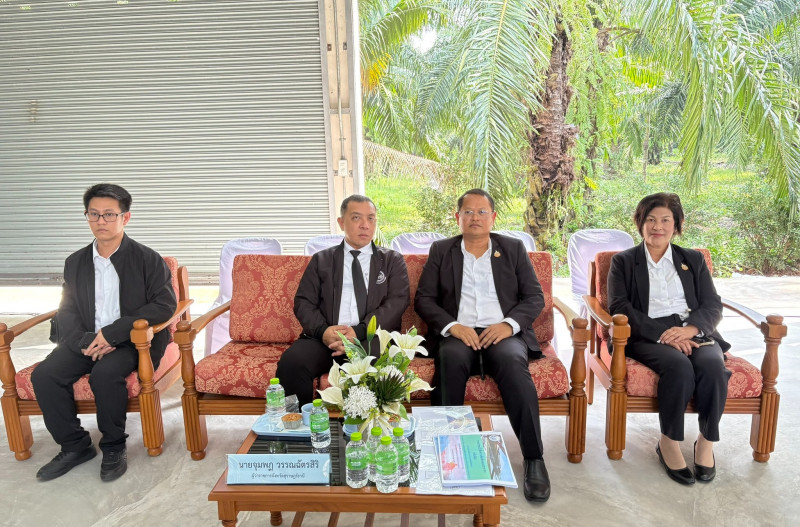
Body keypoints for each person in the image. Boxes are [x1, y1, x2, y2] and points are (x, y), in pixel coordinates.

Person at [31, 183, 177, 482]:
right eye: (94, 214)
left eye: (109, 214)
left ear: (125, 217)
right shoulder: (76, 262)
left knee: (105, 375)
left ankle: (113, 446)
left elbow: (164, 305)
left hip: (132, 341)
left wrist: (114, 333)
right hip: (86, 339)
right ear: (87, 216)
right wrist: (84, 340)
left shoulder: (148, 259)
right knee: (45, 375)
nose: (101, 221)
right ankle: (75, 446)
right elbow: (67, 309)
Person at [414, 189, 550, 502]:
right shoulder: (442, 250)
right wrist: (453, 326)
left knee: (513, 364)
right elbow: (424, 299)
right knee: (450, 360)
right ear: (457, 217)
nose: (475, 218)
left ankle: (534, 458)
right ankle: (448, 454)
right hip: (458, 333)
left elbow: (534, 297)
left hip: (502, 333)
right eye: (468, 212)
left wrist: (508, 325)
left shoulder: (513, 249)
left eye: (482, 212)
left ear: (493, 217)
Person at [608, 192, 730, 485]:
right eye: (650, 219)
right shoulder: (623, 262)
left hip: (692, 330)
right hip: (645, 333)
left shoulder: (693, 259)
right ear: (640, 223)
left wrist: (690, 329)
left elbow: (712, 303)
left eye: (665, 220)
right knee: (679, 366)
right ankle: (669, 442)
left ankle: (706, 442)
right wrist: (663, 334)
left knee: (713, 367)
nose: (657, 227)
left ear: (676, 225)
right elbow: (620, 307)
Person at [276, 195, 409, 406]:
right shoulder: (322, 260)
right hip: (325, 338)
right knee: (292, 362)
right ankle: (296, 423)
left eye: (371, 218)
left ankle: (365, 426)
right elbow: (304, 302)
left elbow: (397, 302)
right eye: (356, 218)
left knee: (373, 365)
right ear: (341, 222)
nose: (365, 225)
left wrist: (359, 332)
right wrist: (324, 332)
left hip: (370, 338)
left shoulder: (391, 260)